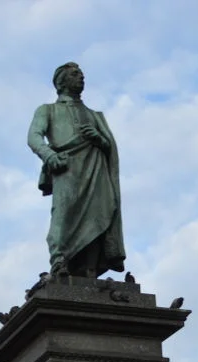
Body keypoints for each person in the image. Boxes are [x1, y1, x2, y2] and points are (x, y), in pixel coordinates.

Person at [27, 62, 126, 279]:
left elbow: (109, 146)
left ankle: (89, 269)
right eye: (75, 74)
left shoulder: (95, 115)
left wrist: (99, 138)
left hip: (95, 167)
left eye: (82, 74)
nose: (81, 77)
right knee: (64, 214)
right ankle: (59, 260)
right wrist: (49, 155)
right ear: (61, 81)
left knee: (99, 213)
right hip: (67, 166)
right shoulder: (48, 110)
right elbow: (34, 136)